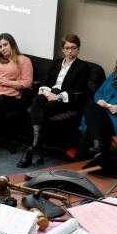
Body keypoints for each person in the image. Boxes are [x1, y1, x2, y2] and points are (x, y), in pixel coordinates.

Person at [18, 33, 98, 167]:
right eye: (67, 48)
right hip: (50, 93)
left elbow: (78, 89)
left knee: (39, 110)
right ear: (63, 49)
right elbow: (46, 81)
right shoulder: (56, 63)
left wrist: (58, 97)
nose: (70, 51)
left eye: (73, 48)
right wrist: (46, 92)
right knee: (36, 100)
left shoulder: (82, 67)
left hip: (65, 99)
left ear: (78, 49)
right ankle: (34, 143)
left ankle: (30, 148)